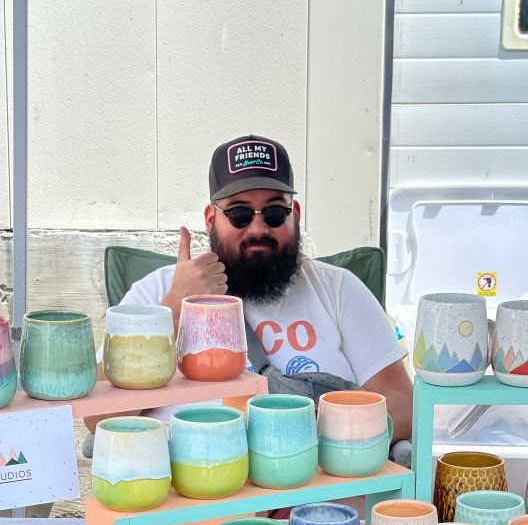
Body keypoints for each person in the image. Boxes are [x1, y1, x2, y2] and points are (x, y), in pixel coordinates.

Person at [85, 135, 412, 445]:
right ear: (211, 219)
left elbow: (403, 403)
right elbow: (98, 417)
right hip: (189, 495)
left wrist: (317, 438)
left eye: (274, 213)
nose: (258, 228)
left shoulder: (338, 288)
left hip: (313, 487)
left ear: (294, 216)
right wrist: (172, 314)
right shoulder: (158, 290)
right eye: (239, 214)